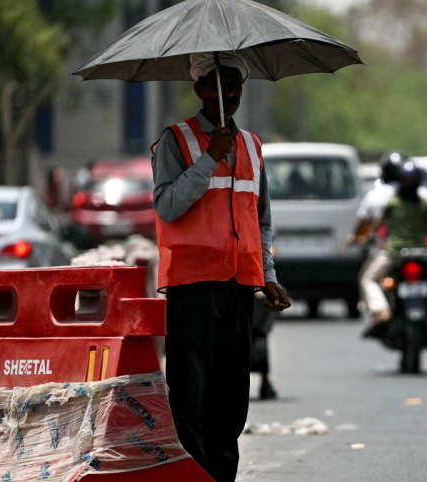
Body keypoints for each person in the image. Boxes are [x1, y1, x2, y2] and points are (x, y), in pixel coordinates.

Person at [150, 51, 291, 482]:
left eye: (235, 85)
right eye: (218, 84)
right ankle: (195, 476)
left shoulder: (251, 145)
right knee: (190, 394)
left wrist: (268, 275)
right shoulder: (176, 141)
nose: (228, 93)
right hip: (191, 285)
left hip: (238, 286)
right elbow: (167, 206)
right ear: (199, 88)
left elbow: (260, 220)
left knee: (231, 397)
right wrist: (210, 158)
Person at [348, 152, 427, 325]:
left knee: (367, 279)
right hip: (422, 251)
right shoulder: (425, 199)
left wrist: (362, 237)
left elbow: (373, 226)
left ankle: (380, 310)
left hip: (394, 252)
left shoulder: (388, 201)